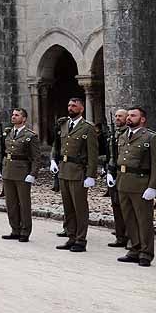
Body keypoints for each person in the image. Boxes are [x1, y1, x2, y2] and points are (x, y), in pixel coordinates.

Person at [51, 97, 98, 252]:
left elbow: (92, 154)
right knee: (68, 207)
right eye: (69, 105)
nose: (70, 108)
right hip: (64, 170)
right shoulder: (63, 124)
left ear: (81, 108)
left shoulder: (88, 128)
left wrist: (91, 175)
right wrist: (53, 160)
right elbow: (56, 145)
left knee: (80, 208)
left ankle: (80, 240)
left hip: (78, 172)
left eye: (74, 106)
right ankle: (71, 237)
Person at [115, 107, 156, 267]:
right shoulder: (123, 135)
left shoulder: (150, 137)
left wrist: (153, 186)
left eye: (133, 115)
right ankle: (135, 249)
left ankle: (146, 253)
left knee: (144, 220)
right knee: (129, 219)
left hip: (141, 184)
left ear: (142, 119)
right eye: (129, 115)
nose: (129, 118)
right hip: (123, 182)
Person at [0, 107, 40, 242]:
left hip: (22, 171)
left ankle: (25, 231)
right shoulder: (9, 133)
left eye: (17, 115)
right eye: (13, 115)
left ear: (24, 119)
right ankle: (14, 229)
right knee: (11, 203)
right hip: (8, 170)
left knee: (24, 203)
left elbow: (36, 157)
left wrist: (33, 173)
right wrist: (0, 168)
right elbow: (3, 152)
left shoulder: (30, 136)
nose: (13, 117)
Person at [106, 108, 130, 248]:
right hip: (113, 172)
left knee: (127, 207)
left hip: (125, 174)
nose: (117, 118)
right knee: (116, 205)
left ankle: (130, 236)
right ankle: (120, 236)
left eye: (120, 116)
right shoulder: (114, 134)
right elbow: (110, 155)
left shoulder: (128, 134)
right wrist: (108, 169)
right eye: (116, 116)